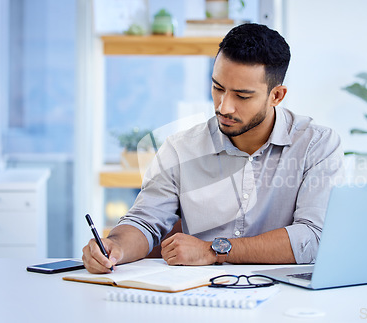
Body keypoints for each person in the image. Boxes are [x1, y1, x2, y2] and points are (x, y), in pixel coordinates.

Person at [82, 23, 344, 274]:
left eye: (242, 96)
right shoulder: (180, 148)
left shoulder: (316, 145)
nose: (224, 106)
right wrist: (115, 247)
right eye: (218, 88)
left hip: (285, 294)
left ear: (276, 96)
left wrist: (215, 250)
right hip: (199, 292)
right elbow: (144, 221)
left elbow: (314, 236)